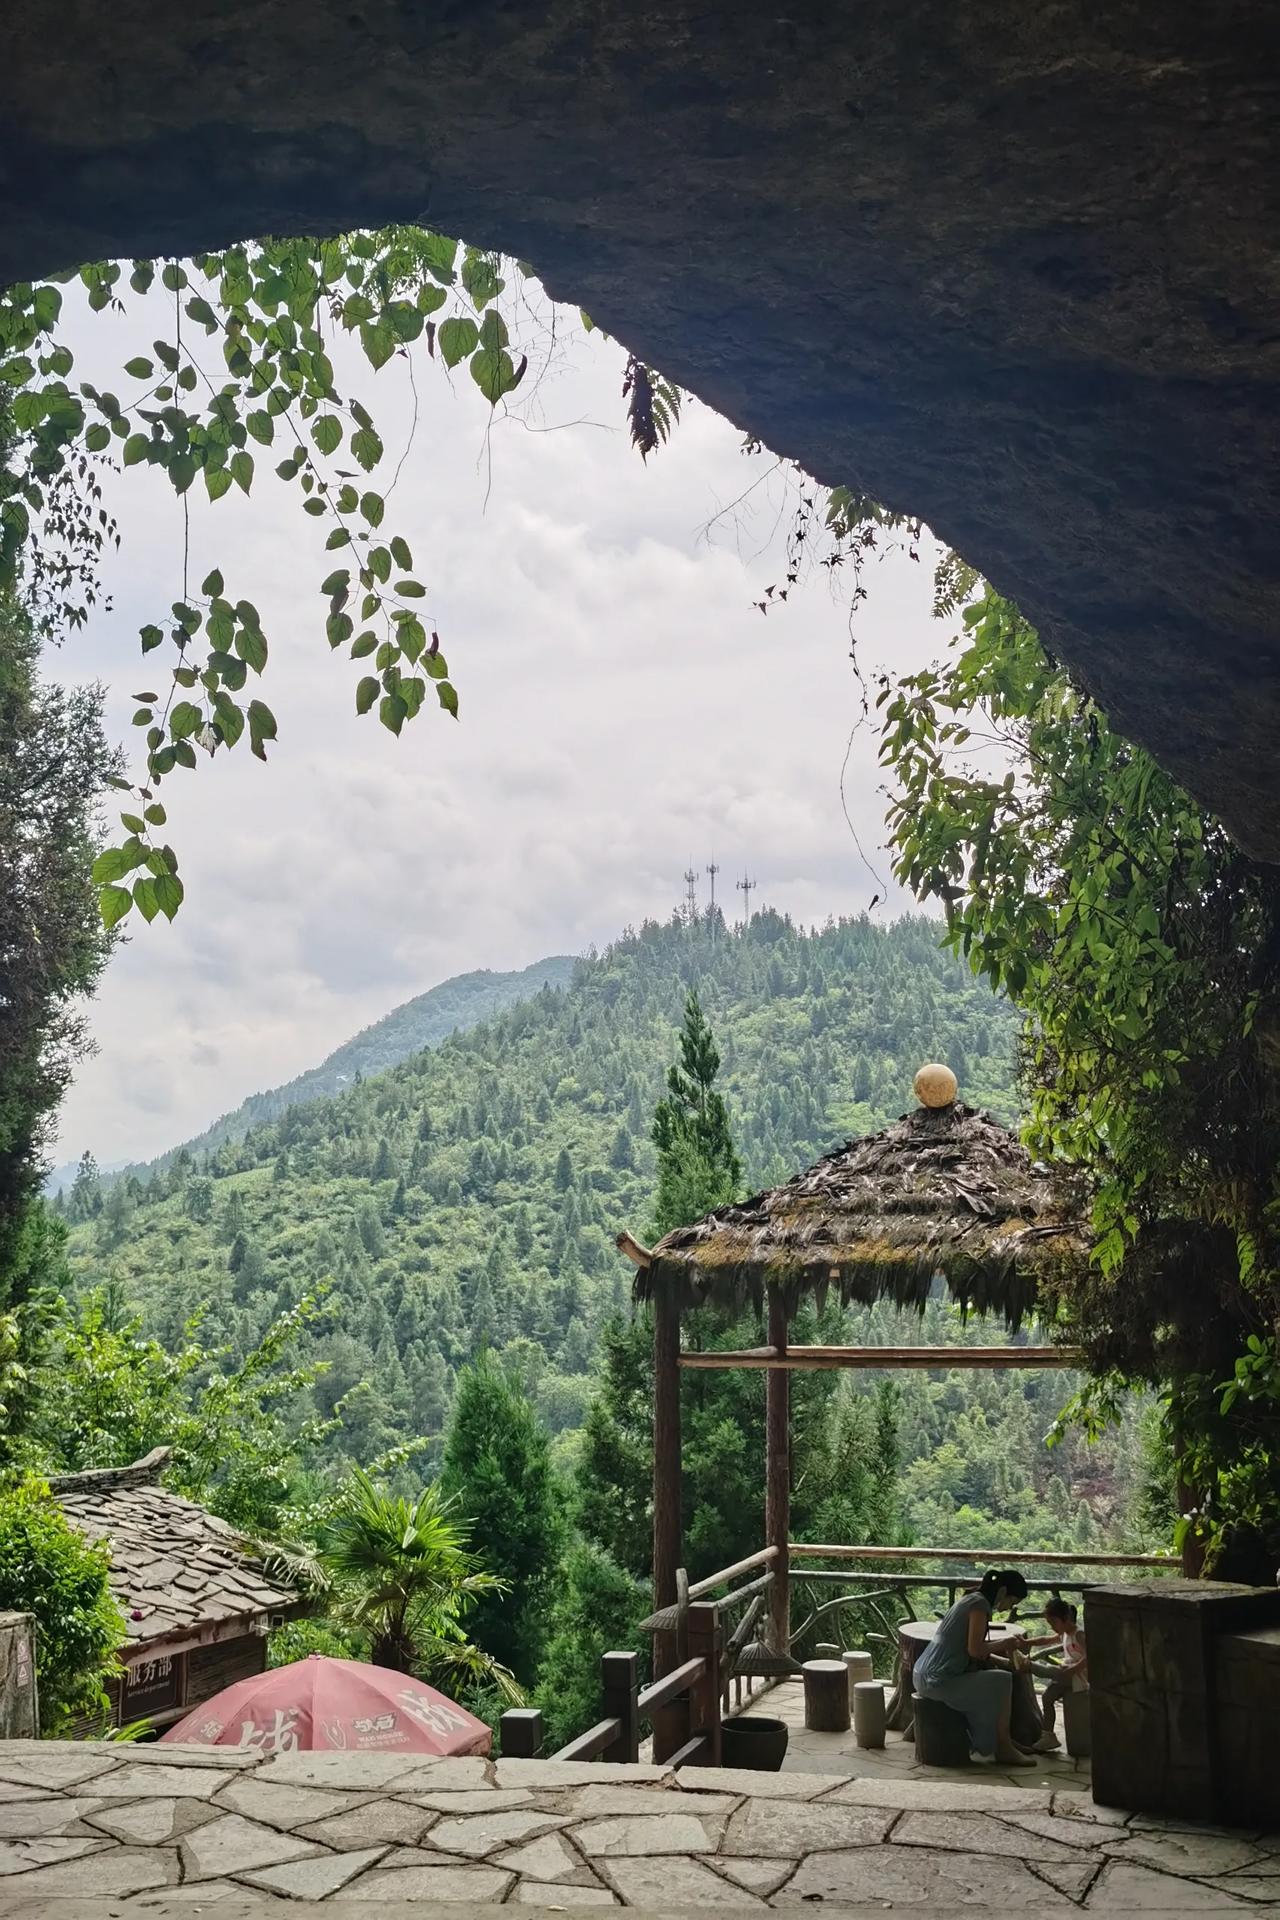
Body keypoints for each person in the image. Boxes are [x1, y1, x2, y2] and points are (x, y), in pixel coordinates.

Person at [910, 1569, 1037, 1767]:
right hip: (936, 1679)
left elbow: (971, 1649)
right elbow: (975, 1649)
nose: (1007, 1608)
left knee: (1001, 1676)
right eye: (1011, 1602)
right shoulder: (979, 1605)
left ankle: (1002, 1740)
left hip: (925, 1673)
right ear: (1003, 1591)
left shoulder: (972, 1599)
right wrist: (1006, 1643)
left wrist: (1005, 1662)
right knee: (1003, 1680)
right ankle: (1003, 1747)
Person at [1024, 1597, 1087, 1747]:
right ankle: (1048, 1736)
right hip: (1067, 1674)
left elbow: (1091, 1656)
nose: (1052, 1627)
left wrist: (1074, 1668)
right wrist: (1028, 1642)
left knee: (1053, 1672)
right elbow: (1046, 1640)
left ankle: (1031, 1666)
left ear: (1065, 1618)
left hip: (1079, 1677)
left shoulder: (1079, 1634)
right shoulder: (1064, 1634)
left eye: (1054, 1622)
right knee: (1047, 1697)